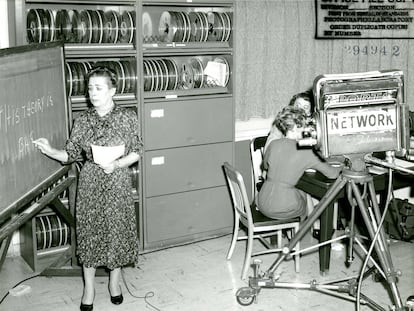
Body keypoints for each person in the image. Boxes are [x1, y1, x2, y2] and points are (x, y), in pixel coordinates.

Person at [33, 67, 142, 311]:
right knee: (90, 234)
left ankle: (115, 284)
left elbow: (136, 151)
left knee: (116, 232)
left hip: (117, 181)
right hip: (91, 181)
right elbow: (70, 154)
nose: (92, 93)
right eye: (90, 88)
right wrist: (50, 150)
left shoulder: (128, 117)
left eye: (99, 88)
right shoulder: (82, 120)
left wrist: (117, 164)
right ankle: (89, 288)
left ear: (112, 90)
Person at [257, 106, 341, 220]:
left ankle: (299, 230)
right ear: (295, 127)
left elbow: (265, 165)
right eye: (304, 126)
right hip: (282, 207)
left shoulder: (274, 144)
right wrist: (342, 166)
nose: (306, 129)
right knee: (304, 199)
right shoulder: (305, 150)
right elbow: (333, 174)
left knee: (299, 192)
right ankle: (303, 230)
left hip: (262, 200)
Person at [264, 89, 314, 153]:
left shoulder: (313, 126)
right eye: (297, 106)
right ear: (292, 107)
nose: (300, 110)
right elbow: (268, 150)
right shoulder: (281, 123)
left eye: (305, 107)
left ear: (310, 113)